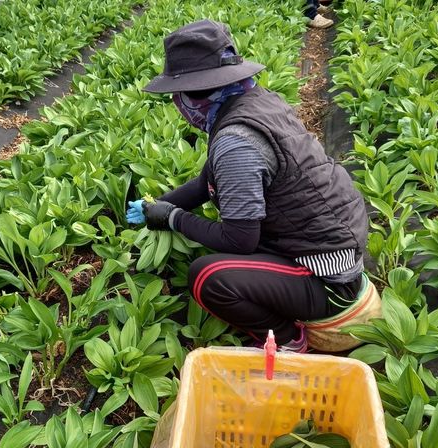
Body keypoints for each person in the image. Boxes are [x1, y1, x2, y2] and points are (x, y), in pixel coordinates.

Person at [126, 20, 368, 352]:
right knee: (220, 256)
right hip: (334, 247)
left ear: (194, 94)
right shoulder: (256, 101)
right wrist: (156, 205)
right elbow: (206, 182)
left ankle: (287, 340)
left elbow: (239, 240)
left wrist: (173, 218)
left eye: (179, 94)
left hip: (326, 278)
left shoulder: (237, 143)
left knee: (208, 277)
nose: (178, 102)